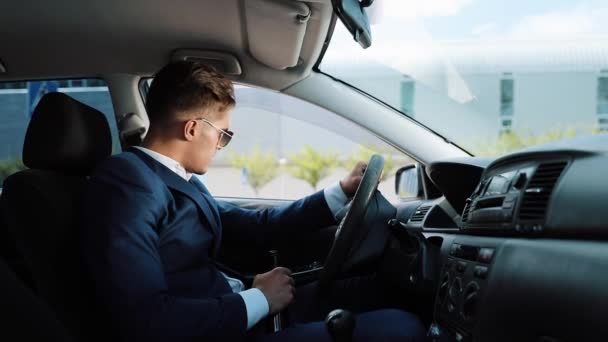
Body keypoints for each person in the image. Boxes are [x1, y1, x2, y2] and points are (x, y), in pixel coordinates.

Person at [82, 61, 425, 341]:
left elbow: (260, 226)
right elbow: (146, 319)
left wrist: (343, 190)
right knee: (403, 329)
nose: (221, 144)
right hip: (224, 328)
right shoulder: (127, 184)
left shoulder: (178, 179)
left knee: (374, 291)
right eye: (223, 134)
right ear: (191, 129)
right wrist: (259, 299)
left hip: (240, 310)